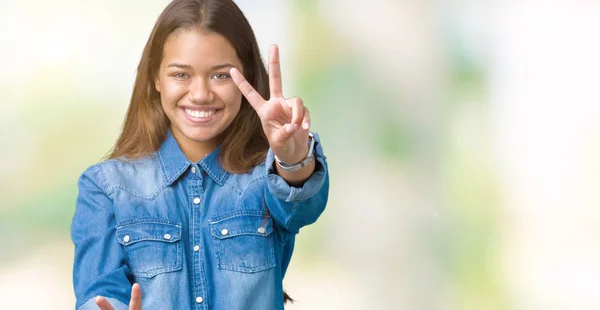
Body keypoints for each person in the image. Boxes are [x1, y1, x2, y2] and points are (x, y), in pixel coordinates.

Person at [70, 0, 329, 309]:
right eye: (181, 75)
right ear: (156, 78)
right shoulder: (106, 187)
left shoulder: (268, 176)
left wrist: (292, 158)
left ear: (246, 76)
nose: (201, 94)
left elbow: (301, 207)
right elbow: (97, 293)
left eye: (220, 75)